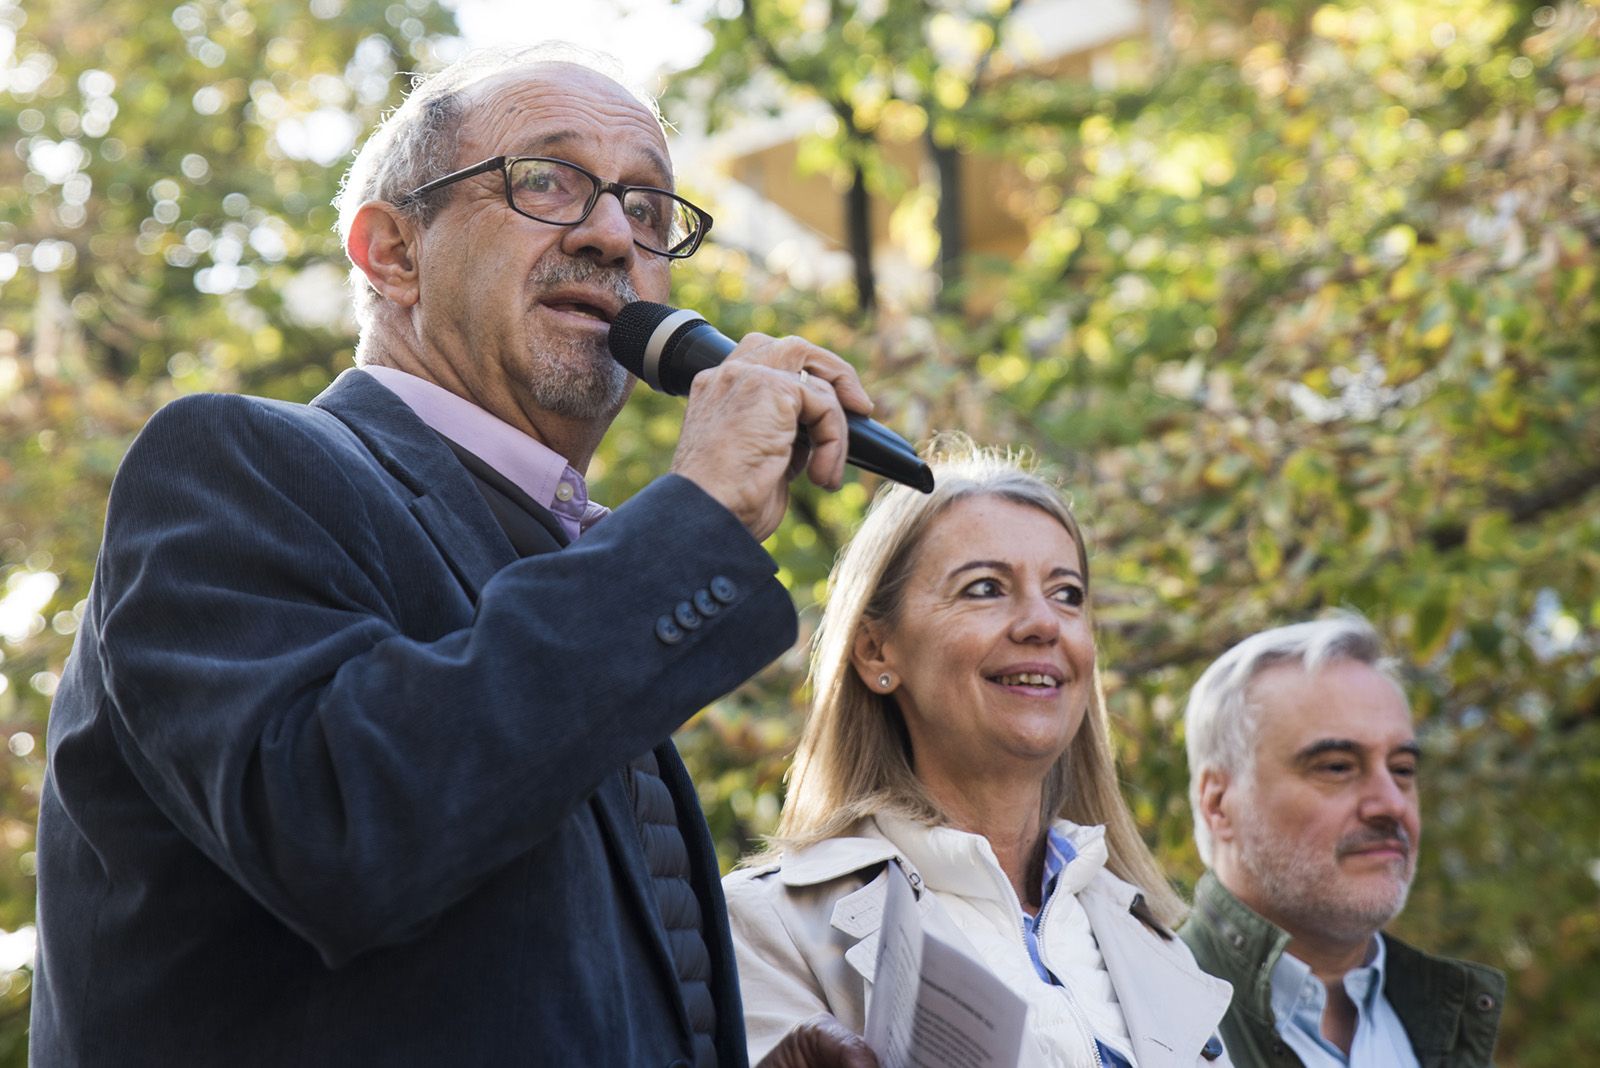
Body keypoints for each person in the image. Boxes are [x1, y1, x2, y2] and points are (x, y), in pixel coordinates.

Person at [32, 45, 877, 1067]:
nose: (614, 234)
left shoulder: (590, 565)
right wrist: (694, 513)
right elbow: (342, 829)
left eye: (650, 209)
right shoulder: (237, 466)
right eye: (548, 181)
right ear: (392, 252)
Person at [723, 444, 1234, 1067]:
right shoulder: (765, 926)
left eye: (1067, 594)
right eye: (986, 588)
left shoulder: (1151, 942)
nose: (1043, 623)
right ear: (877, 652)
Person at [1179, 614, 1505, 1067]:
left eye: (1403, 770)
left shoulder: (1448, 1020)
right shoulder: (1141, 1016)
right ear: (1219, 805)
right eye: (1336, 766)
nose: (1391, 804)